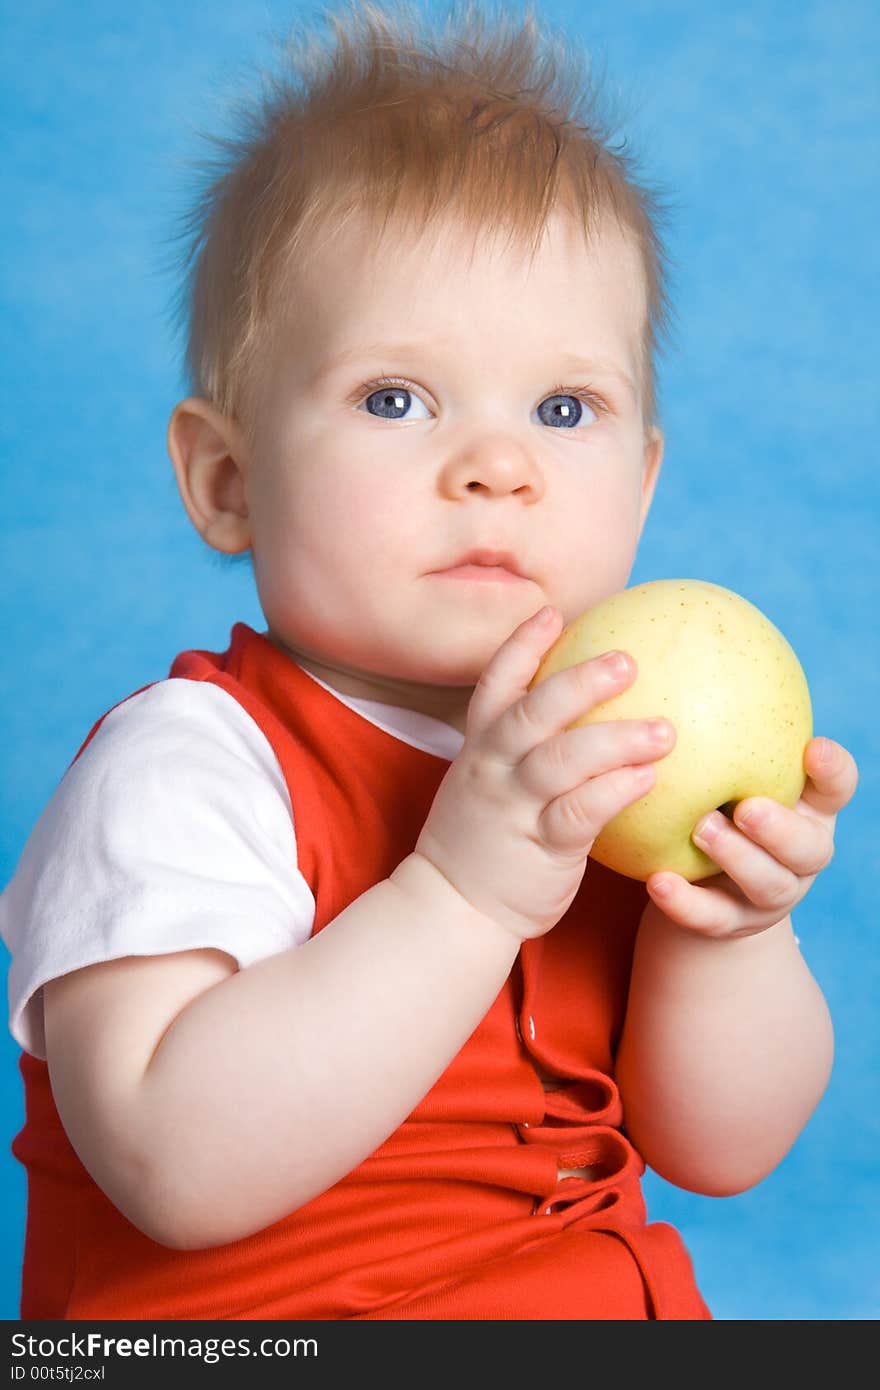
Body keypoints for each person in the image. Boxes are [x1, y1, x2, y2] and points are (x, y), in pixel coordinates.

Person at [0, 0, 858, 1321]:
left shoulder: (607, 755)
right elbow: (171, 1160)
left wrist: (732, 934)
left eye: (562, 409)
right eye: (395, 398)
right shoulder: (187, 763)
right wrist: (461, 894)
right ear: (229, 480)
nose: (497, 466)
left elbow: (723, 1149)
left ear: (637, 494)